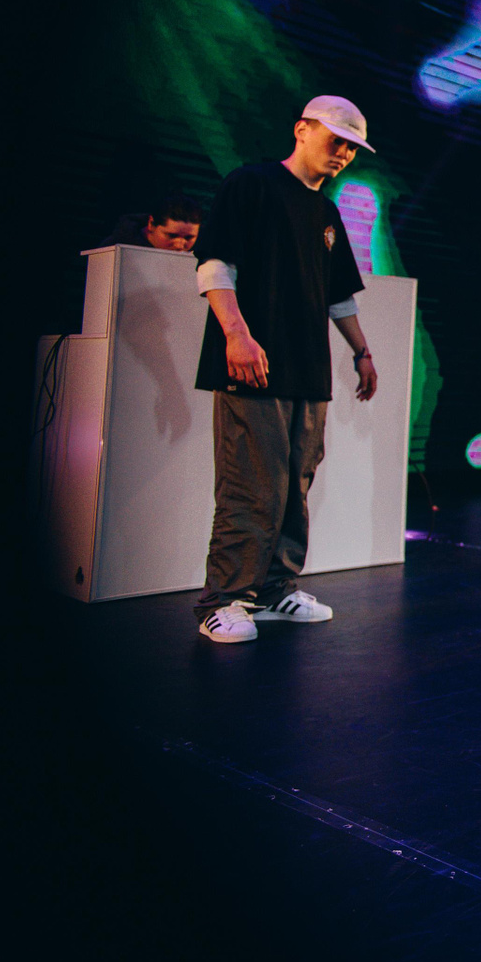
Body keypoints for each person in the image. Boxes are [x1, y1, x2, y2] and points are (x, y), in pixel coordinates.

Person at [191, 96, 379, 643]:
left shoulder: (327, 214)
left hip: (307, 369)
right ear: (302, 129)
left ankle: (275, 588)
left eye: (352, 147)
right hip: (253, 362)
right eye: (336, 139)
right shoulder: (250, 184)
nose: (343, 153)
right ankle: (223, 599)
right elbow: (214, 263)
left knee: (295, 482)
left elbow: (338, 294)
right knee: (251, 483)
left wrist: (362, 352)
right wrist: (237, 334)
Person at [99, 193, 204, 252]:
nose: (179, 245)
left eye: (189, 238)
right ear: (151, 224)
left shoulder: (202, 255)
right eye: (172, 236)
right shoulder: (112, 248)